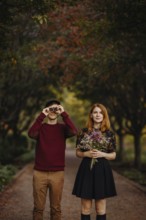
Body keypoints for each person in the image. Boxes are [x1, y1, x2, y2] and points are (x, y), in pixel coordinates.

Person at [28, 99, 77, 220]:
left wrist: (64, 114)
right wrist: (42, 115)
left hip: (57, 173)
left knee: (56, 208)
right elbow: (31, 133)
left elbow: (74, 131)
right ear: (46, 110)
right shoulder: (41, 128)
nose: (53, 111)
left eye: (56, 109)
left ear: (59, 111)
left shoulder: (63, 128)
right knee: (38, 208)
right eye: (50, 108)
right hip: (39, 173)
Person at [72, 103, 117, 220]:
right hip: (86, 168)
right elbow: (78, 152)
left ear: (104, 115)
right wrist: (85, 154)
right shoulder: (83, 132)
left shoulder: (109, 134)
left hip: (102, 169)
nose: (98, 115)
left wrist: (102, 154)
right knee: (85, 208)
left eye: (100, 112)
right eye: (95, 112)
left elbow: (113, 155)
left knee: (100, 208)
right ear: (91, 115)